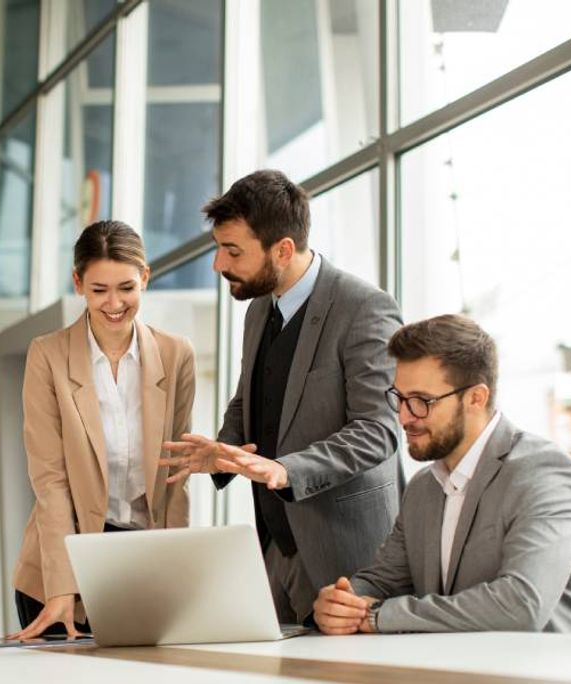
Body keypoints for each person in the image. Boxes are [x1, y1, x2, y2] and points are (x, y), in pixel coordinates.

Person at [160, 169, 402, 625]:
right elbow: (249, 395)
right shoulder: (258, 310)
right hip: (275, 546)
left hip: (347, 555)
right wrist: (223, 449)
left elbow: (379, 430)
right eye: (218, 248)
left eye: (232, 251)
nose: (218, 265)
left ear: (283, 249)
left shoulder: (364, 308)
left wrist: (285, 469)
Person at [312, 314, 571, 634]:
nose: (405, 417)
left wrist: (377, 616)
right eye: (400, 398)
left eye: (422, 401)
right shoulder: (424, 487)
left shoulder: (544, 473)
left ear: (476, 398)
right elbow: (383, 579)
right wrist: (343, 602)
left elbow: (520, 605)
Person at [10, 220, 196, 639]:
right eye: (99, 290)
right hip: (62, 566)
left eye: (126, 288)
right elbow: (50, 481)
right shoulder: (48, 356)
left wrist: (177, 575)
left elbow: (176, 475)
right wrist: (62, 588)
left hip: (141, 561)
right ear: (78, 283)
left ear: (145, 278)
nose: (115, 303)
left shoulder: (176, 354)